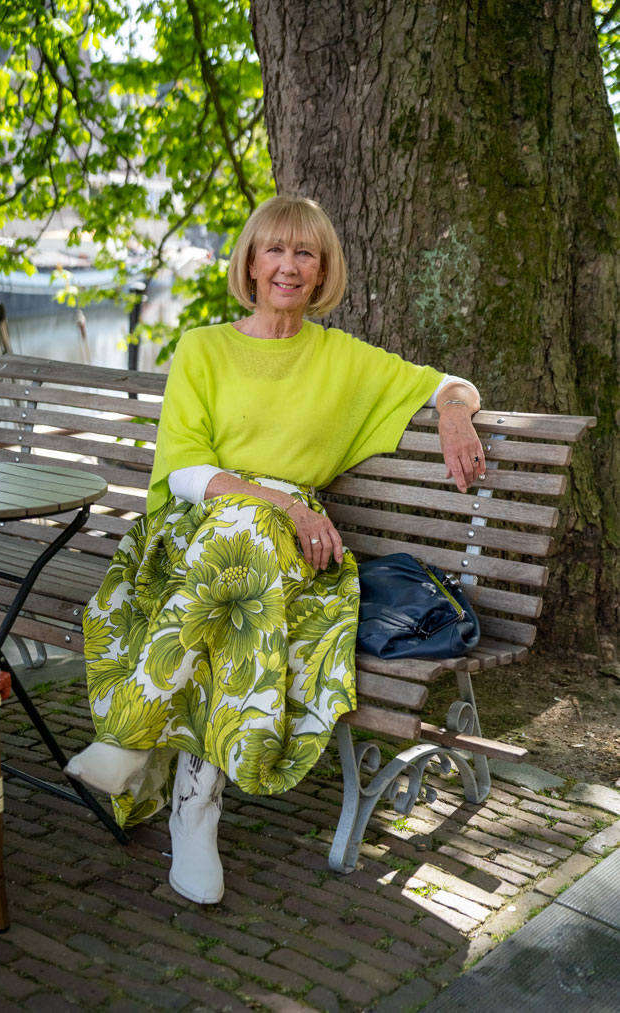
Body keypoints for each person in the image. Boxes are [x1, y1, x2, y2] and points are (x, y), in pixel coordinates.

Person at [66, 195, 484, 904]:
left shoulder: (341, 357)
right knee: (242, 552)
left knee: (248, 565)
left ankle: (138, 741)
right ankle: (193, 810)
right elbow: (185, 469)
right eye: (275, 250)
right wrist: (281, 503)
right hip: (194, 533)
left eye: (305, 253)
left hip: (296, 555)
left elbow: (452, 384)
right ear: (251, 264)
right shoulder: (202, 347)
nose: (288, 266)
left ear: (321, 271)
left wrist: (450, 412)